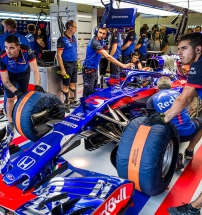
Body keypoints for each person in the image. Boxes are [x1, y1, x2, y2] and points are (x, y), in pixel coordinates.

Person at [143, 32, 202, 215]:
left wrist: (162, 118)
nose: (179, 53)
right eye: (178, 49)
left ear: (198, 49)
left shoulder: (198, 66)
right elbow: (188, 96)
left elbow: (183, 100)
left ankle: (193, 209)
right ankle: (194, 208)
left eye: (184, 48)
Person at [147, 76, 202, 161]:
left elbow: (150, 120)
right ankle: (189, 150)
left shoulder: (151, 99)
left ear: (157, 87)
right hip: (188, 132)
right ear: (171, 85)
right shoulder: (179, 95)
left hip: (168, 136)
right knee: (200, 122)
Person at [0, 35, 43, 131]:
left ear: (18, 47)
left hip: (24, 74)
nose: (8, 51)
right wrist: (16, 91)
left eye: (11, 48)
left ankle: (21, 117)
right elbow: (5, 81)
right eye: (6, 47)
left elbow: (35, 70)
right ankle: (10, 121)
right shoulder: (2, 57)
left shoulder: (27, 51)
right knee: (10, 98)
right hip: (10, 76)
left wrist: (37, 85)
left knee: (22, 97)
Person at [82, 26, 131, 98]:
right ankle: (84, 108)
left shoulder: (101, 41)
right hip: (88, 70)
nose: (101, 35)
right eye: (100, 32)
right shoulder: (94, 42)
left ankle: (90, 107)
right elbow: (107, 56)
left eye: (103, 33)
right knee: (88, 93)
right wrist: (123, 65)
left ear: (106, 35)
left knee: (93, 91)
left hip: (93, 69)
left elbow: (105, 48)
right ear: (96, 32)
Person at [57, 20, 78, 105]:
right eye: (75, 27)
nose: (76, 29)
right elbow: (58, 55)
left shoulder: (73, 37)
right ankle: (66, 103)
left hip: (74, 63)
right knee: (66, 85)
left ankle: (72, 100)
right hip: (66, 64)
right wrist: (62, 69)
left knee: (73, 83)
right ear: (70, 28)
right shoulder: (61, 39)